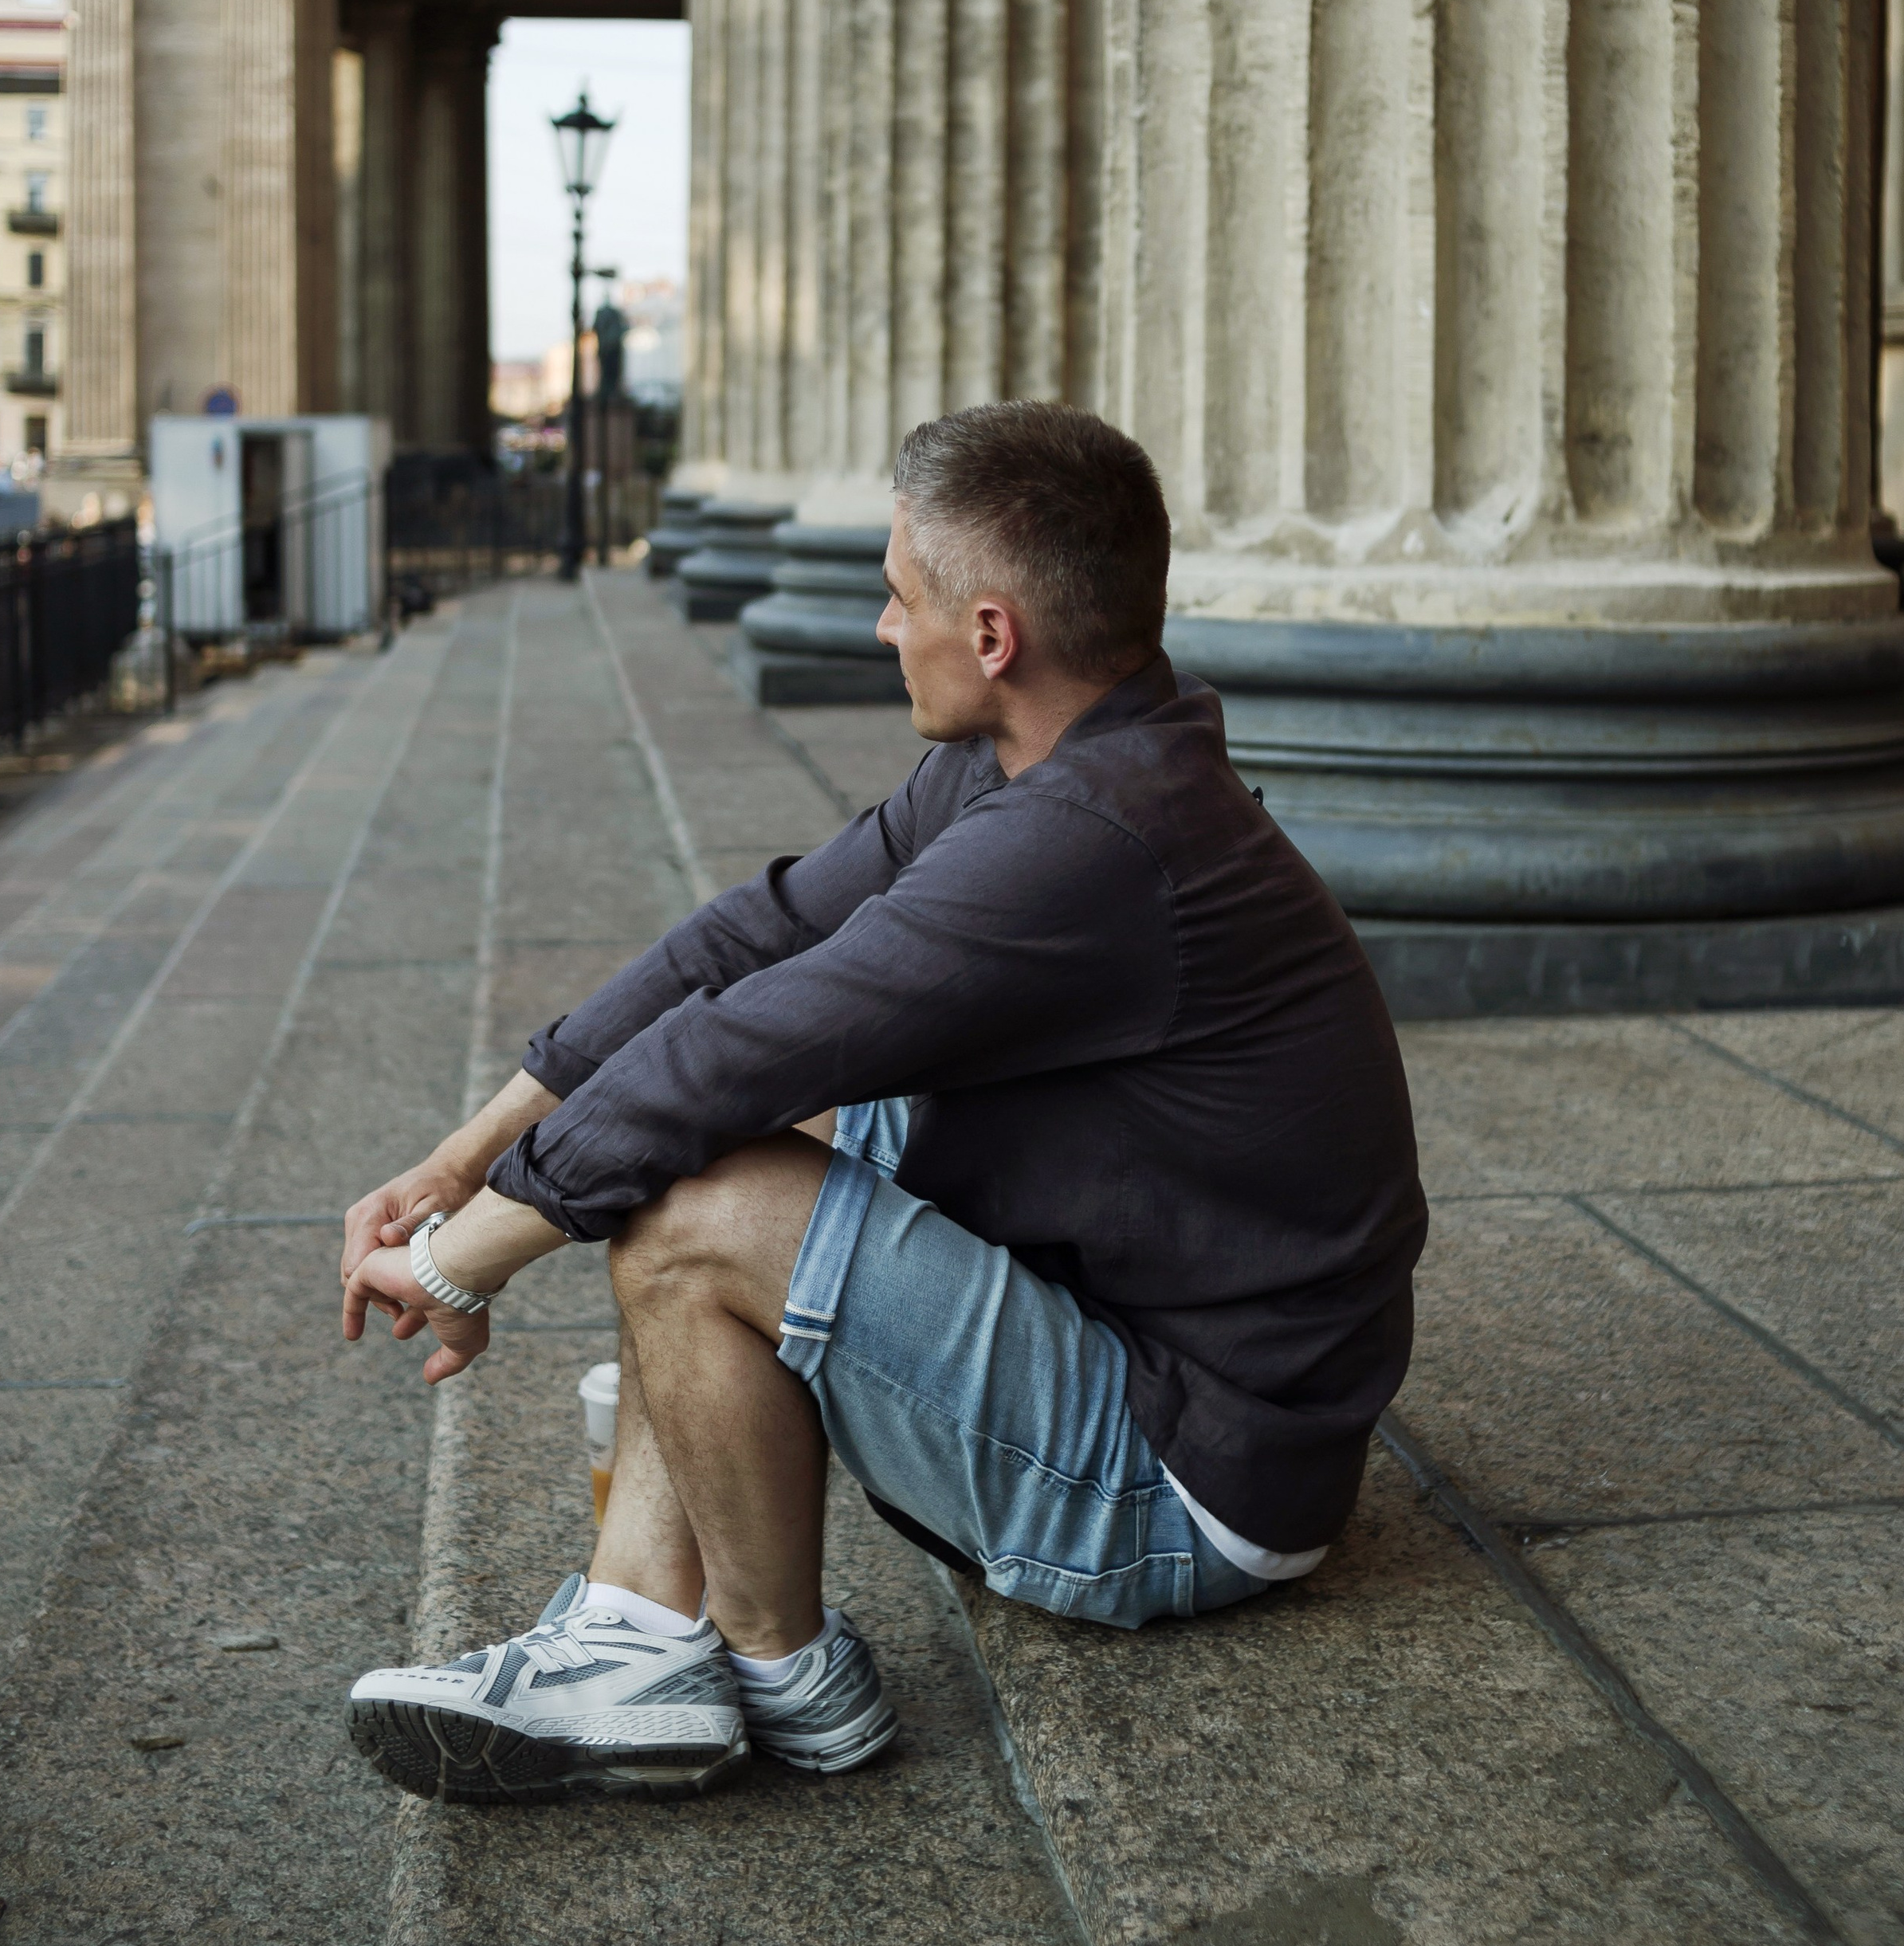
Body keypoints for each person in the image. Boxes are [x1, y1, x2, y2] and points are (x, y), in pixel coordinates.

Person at [340, 401, 1427, 1804]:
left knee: (695, 1199)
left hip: (1184, 1487)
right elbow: (744, 944)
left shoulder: (1086, 841)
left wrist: (451, 1264)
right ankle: (648, 1641)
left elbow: (731, 1055)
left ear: (991, 637)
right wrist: (458, 1160)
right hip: (1157, 1361)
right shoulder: (1053, 759)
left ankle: (765, 1663)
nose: (877, 627)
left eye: (898, 594)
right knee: (726, 1144)